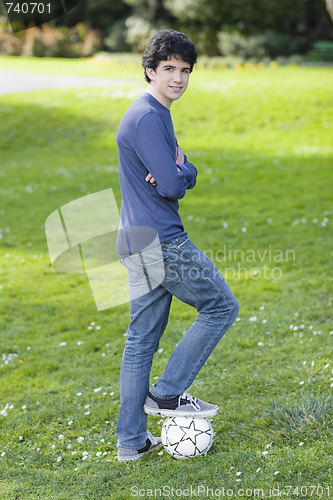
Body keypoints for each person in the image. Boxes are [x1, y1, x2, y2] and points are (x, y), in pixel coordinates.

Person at [115, 29, 239, 462]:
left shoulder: (152, 112)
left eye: (185, 70)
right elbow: (172, 182)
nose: (178, 78)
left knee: (141, 341)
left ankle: (131, 443)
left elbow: (179, 171)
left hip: (134, 238)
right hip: (162, 241)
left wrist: (182, 170)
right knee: (222, 306)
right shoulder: (149, 116)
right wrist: (181, 172)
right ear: (149, 70)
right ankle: (167, 393)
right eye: (168, 69)